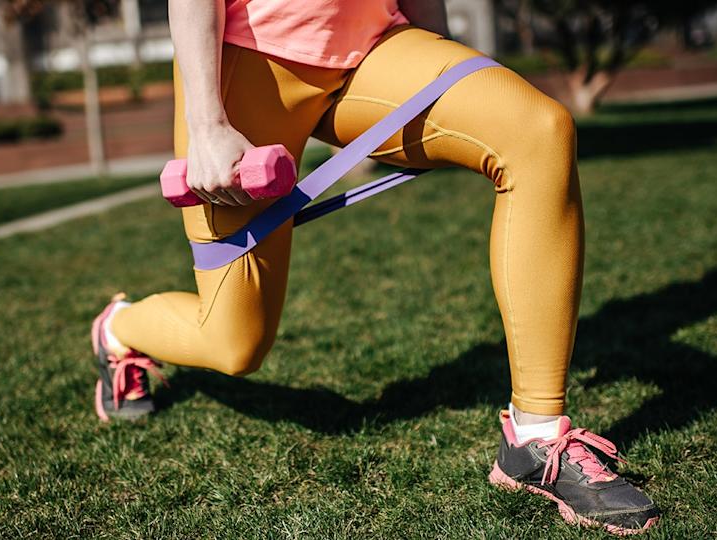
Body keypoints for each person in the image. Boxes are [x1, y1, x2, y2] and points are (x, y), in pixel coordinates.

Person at [89, 0, 660, 534]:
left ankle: (535, 440)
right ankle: (119, 328)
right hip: (248, 59)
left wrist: (445, 53)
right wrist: (207, 123)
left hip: (376, 48)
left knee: (538, 131)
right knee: (234, 343)